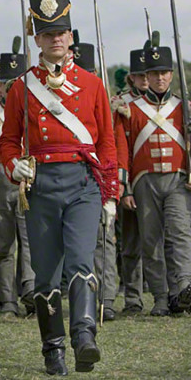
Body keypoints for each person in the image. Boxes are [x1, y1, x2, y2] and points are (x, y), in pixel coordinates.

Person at [0, 0, 118, 375]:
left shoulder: (92, 84)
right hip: (42, 185)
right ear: (38, 37)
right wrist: (14, 166)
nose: (55, 40)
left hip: (83, 182)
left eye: (61, 33)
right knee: (45, 274)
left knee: (81, 263)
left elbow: (106, 142)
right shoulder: (21, 87)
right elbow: (7, 141)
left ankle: (84, 334)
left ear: (71, 37)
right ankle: (53, 349)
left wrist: (110, 193)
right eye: (47, 33)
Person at [115, 37, 191, 316]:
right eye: (154, 73)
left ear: (171, 74)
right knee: (151, 241)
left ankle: (182, 288)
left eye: (164, 72)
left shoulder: (184, 108)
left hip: (178, 179)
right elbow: (123, 150)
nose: (160, 78)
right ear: (145, 76)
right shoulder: (130, 110)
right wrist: (125, 188)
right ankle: (161, 297)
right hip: (144, 181)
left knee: (180, 234)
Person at [71, 31, 119, 321]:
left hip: (97, 177)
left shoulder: (97, 93)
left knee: (105, 240)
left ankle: (108, 298)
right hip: (72, 177)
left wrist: (111, 191)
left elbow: (109, 144)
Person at [0, 40, 35, 319]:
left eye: (17, 81)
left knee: (30, 243)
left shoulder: (34, 112)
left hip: (29, 184)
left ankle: (30, 291)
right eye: (7, 83)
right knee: (2, 246)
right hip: (0, 186)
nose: (11, 87)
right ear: (0, 86)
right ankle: (7, 301)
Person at [113, 48, 150, 316]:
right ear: (132, 78)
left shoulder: (170, 104)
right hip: (130, 181)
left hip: (156, 179)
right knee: (131, 244)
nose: (146, 79)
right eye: (140, 75)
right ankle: (133, 298)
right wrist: (122, 185)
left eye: (149, 74)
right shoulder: (120, 104)